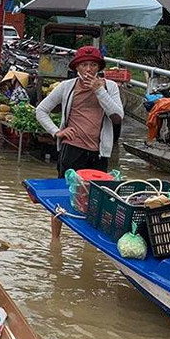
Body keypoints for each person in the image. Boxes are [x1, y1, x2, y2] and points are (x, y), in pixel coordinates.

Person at [36, 45, 123, 239]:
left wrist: (99, 92)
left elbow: (117, 117)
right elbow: (41, 110)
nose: (89, 69)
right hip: (72, 149)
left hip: (99, 152)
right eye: (84, 64)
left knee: (96, 201)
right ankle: (55, 240)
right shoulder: (67, 87)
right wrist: (57, 132)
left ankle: (89, 242)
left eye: (93, 65)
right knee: (64, 195)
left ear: (99, 68)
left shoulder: (110, 87)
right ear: (77, 68)